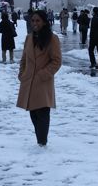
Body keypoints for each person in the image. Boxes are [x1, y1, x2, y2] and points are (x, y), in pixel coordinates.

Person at [17, 10, 62, 146]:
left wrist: (43, 74)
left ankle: (42, 143)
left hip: (42, 82)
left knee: (42, 112)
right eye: (33, 20)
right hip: (28, 81)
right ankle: (40, 142)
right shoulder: (29, 38)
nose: (35, 23)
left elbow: (56, 61)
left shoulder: (52, 38)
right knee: (33, 113)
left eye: (38, 21)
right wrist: (22, 73)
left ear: (44, 22)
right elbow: (24, 58)